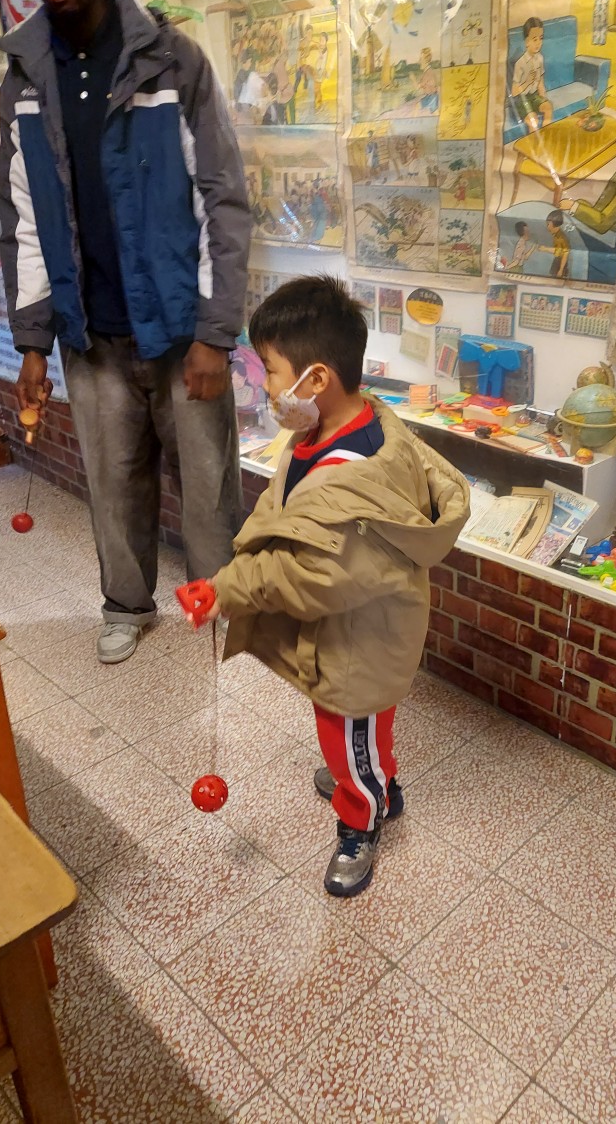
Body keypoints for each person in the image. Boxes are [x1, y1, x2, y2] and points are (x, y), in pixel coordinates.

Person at [0, 0, 251, 663]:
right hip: (90, 335)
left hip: (180, 331)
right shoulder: (24, 77)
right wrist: (33, 343)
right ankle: (126, 606)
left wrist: (214, 333)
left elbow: (221, 200)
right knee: (112, 487)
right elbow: (23, 217)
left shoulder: (170, 58)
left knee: (208, 487)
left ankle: (220, 604)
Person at [197, 276, 469, 897]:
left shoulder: (351, 485)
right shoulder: (336, 427)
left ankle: (360, 820)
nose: (265, 385)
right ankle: (380, 784)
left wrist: (227, 590)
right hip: (356, 634)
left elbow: (309, 574)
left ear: (316, 379)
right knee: (361, 735)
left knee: (349, 740)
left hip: (358, 649)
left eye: (270, 370)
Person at [509, 16, 553, 133]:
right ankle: (533, 142)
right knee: (533, 119)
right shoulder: (520, 63)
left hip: (534, 96)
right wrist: (527, 82)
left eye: (541, 38)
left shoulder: (540, 58)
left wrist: (543, 99)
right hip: (521, 100)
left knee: (548, 107)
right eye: (534, 39)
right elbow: (514, 92)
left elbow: (540, 82)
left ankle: (546, 136)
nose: (538, 43)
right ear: (526, 42)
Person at [541, 209, 570, 277]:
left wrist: (561, 270)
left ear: (554, 224)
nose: (547, 227)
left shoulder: (561, 238)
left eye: (548, 224)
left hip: (560, 263)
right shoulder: (556, 235)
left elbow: (564, 253)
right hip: (557, 261)